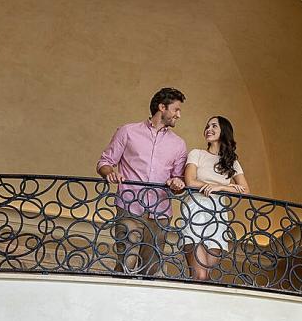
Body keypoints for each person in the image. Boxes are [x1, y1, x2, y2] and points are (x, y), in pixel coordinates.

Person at [97, 87, 189, 276]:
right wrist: (109, 173)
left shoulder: (179, 144)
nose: (179, 115)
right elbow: (104, 162)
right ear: (162, 107)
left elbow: (179, 180)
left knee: (153, 268)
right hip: (129, 206)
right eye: (176, 109)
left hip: (160, 213)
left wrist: (177, 184)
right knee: (127, 263)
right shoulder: (127, 131)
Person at [182, 115, 249, 281]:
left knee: (206, 273)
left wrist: (221, 187)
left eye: (214, 126)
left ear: (223, 131)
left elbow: (246, 190)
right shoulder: (196, 154)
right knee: (201, 274)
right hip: (196, 209)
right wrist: (224, 187)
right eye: (207, 126)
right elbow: (190, 181)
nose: (208, 129)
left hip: (219, 215)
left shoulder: (232, 162)